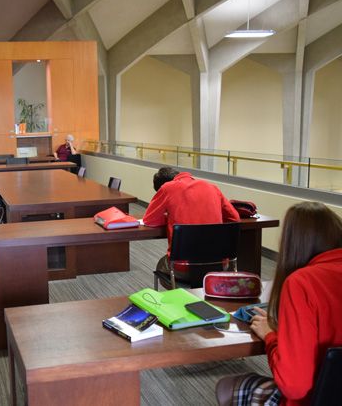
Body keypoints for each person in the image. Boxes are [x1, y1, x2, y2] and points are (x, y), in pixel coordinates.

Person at [216, 202, 342, 406]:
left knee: (228, 387)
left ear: (293, 244)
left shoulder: (303, 283)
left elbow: (295, 386)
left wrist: (270, 336)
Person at [142, 167, 240, 282]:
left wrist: (170, 216)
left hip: (184, 268)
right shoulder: (212, 187)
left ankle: (180, 296)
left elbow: (149, 220)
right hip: (219, 265)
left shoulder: (167, 188)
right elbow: (235, 218)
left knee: (161, 264)